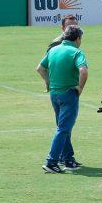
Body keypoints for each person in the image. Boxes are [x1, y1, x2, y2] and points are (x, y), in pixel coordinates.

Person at [37, 25, 88, 173]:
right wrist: (80, 87)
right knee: (64, 128)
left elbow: (40, 68)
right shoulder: (76, 52)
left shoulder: (53, 50)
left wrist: (48, 82)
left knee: (63, 127)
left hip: (54, 94)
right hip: (69, 94)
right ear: (77, 38)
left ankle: (68, 159)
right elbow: (83, 71)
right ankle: (51, 161)